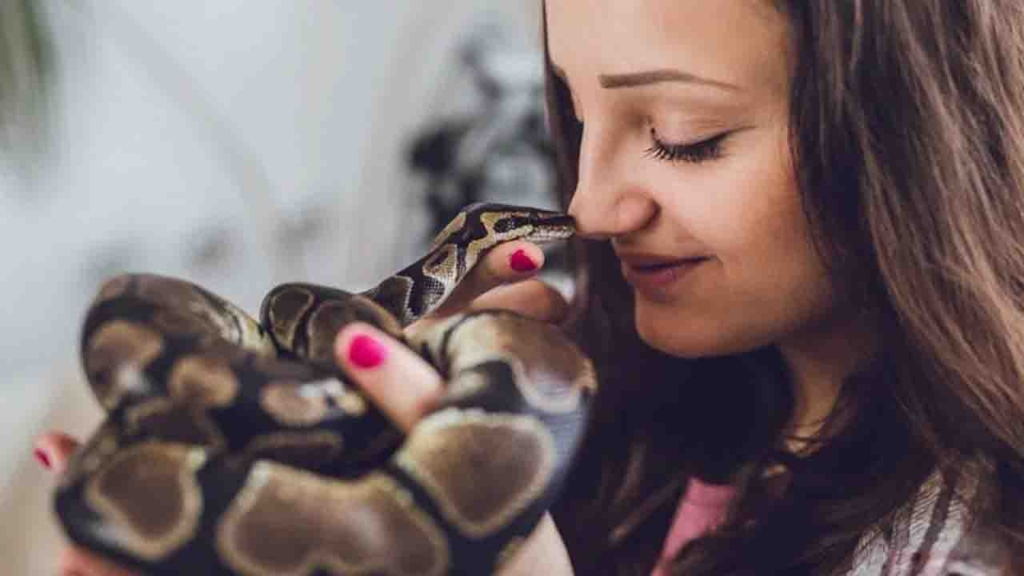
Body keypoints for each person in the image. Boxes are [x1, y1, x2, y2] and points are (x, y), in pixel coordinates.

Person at [34, 0, 1024, 574]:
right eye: (572, 114)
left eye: (683, 132)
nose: (587, 208)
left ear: (906, 143)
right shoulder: (644, 406)